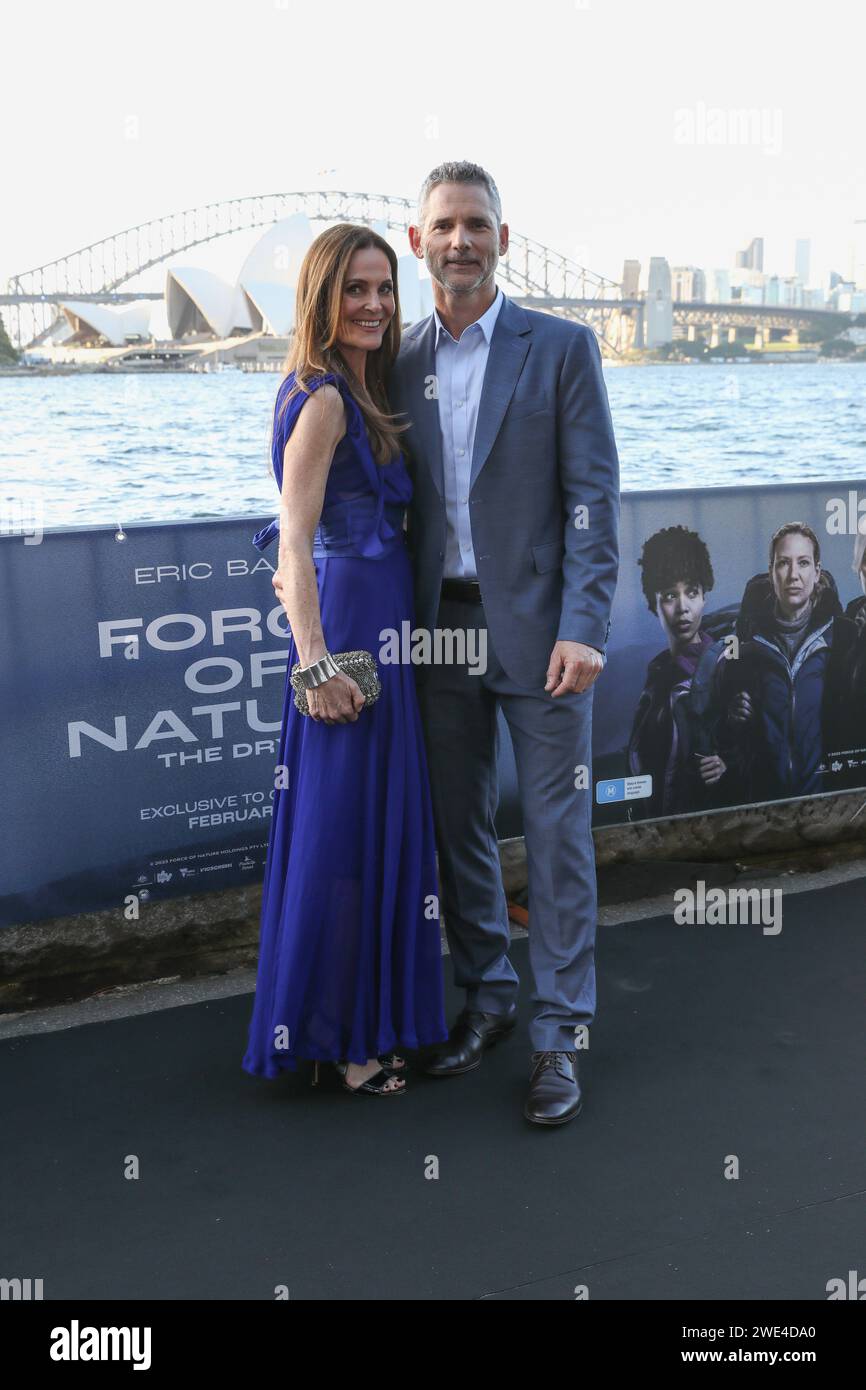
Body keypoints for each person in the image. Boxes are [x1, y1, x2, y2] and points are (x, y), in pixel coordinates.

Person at [387, 162, 620, 1126]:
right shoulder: (392, 361)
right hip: (435, 628)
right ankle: (486, 994)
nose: (461, 240)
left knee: (558, 839)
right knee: (459, 826)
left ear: (504, 238)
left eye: (477, 224)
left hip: (541, 632)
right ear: (417, 242)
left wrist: (585, 626)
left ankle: (560, 1035)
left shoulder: (561, 347)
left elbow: (594, 501)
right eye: (444, 224)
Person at [242, 223, 447, 1097]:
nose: (372, 304)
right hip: (351, 637)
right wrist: (317, 666)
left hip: (385, 625)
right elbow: (293, 547)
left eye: (383, 289)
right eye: (354, 290)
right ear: (321, 300)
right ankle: (343, 1043)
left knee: (365, 831)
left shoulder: (363, 387)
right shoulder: (324, 397)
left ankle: (354, 1022)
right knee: (340, 837)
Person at [722, 522, 860, 800]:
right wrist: (732, 716)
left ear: (817, 572)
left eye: (804, 563)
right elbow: (724, 722)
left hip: (831, 803)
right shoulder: (743, 644)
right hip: (764, 807)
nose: (793, 575)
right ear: (771, 572)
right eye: (783, 563)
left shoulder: (846, 638)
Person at [627, 526, 738, 818]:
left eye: (691, 592)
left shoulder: (726, 667)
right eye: (669, 595)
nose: (683, 608)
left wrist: (730, 764)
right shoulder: (659, 675)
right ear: (654, 604)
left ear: (705, 595)